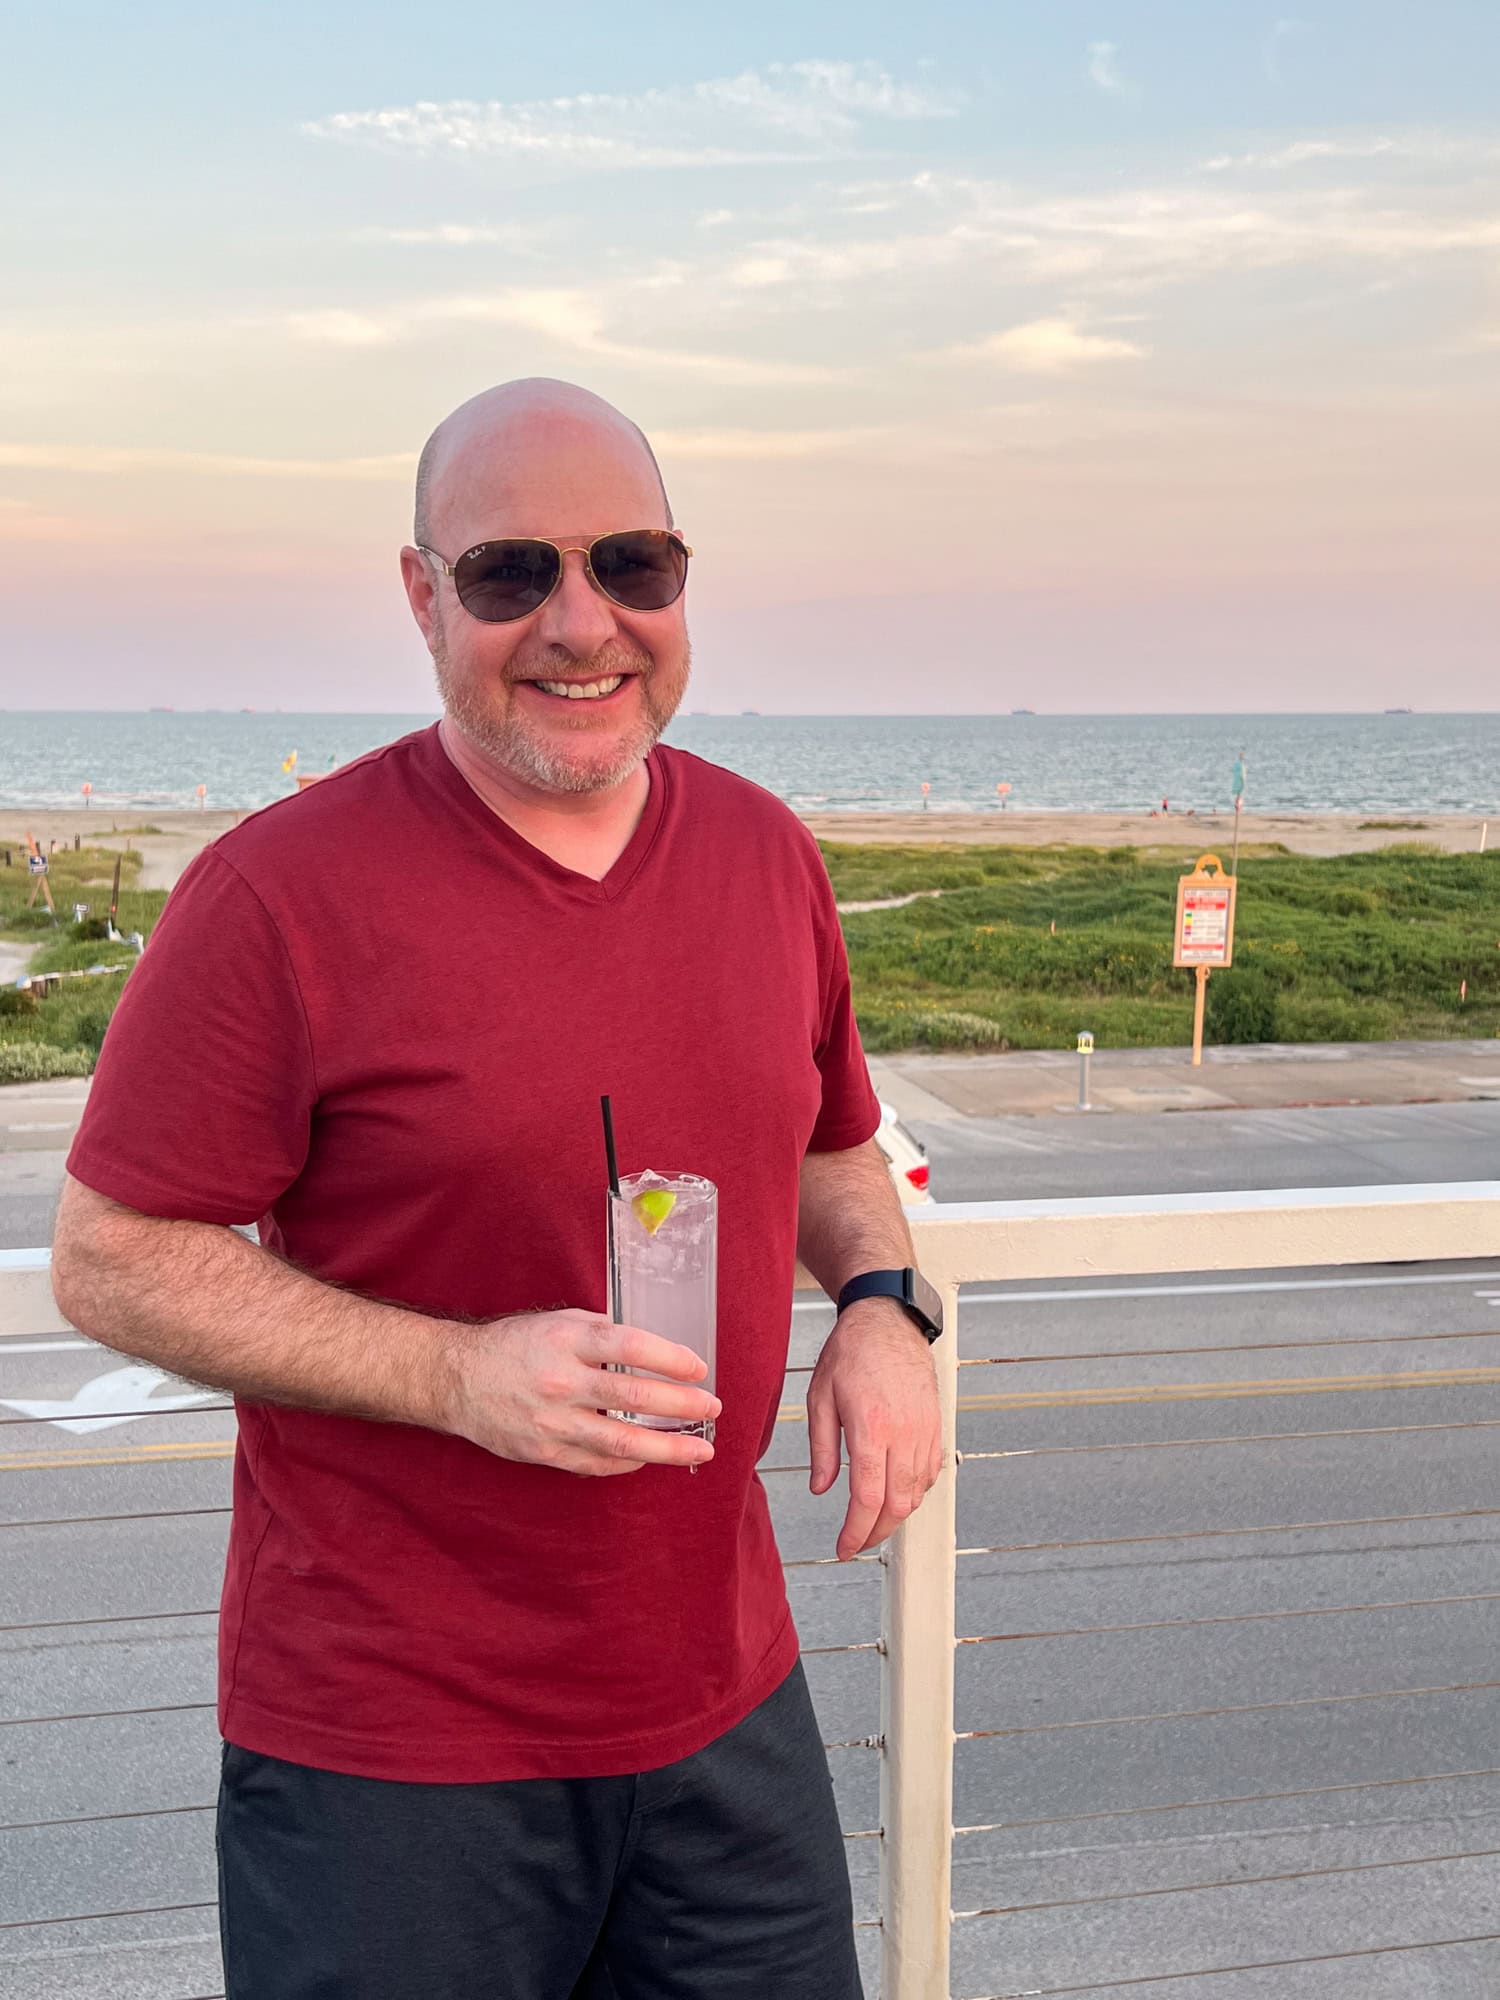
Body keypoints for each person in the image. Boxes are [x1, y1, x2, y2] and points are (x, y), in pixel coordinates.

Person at [51, 379, 944, 1999]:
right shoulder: (278, 895)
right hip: (394, 1757)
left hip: (726, 1715)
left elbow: (830, 1143)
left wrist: (883, 1308)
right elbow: (112, 1259)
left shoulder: (764, 856)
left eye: (632, 565)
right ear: (421, 595)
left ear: (683, 583)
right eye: (509, 575)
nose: (581, 623)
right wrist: (457, 1373)